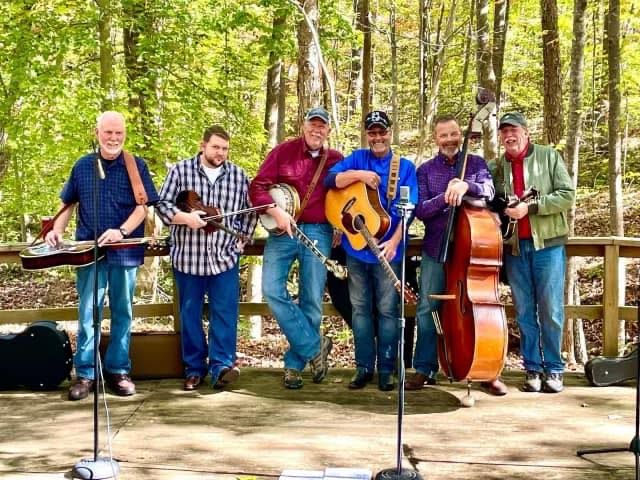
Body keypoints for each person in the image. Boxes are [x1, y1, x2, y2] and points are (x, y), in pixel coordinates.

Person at [45, 111, 159, 401]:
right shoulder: (83, 166)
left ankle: (119, 371)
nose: (114, 138)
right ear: (97, 133)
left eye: (118, 133)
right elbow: (66, 202)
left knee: (123, 312)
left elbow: (142, 208)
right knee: (88, 314)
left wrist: (121, 231)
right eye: (108, 132)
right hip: (89, 253)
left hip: (125, 252)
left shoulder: (137, 166)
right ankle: (86, 374)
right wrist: (56, 229)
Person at [407, 114, 507, 396]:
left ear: (460, 134)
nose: (449, 140)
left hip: (470, 249)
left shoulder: (474, 164)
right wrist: (445, 197)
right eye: (443, 135)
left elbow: (488, 191)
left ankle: (486, 368)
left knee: (478, 307)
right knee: (428, 309)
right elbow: (421, 210)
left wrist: (466, 186)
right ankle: (424, 368)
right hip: (436, 249)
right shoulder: (425, 170)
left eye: (453, 134)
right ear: (435, 139)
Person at [155, 125, 257, 391]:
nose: (220, 153)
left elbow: (249, 212)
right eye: (215, 147)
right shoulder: (180, 171)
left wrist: (242, 237)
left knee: (225, 313)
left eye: (224, 148)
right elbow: (163, 205)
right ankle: (194, 369)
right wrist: (186, 218)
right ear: (203, 146)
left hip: (224, 258)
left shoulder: (238, 176)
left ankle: (221, 366)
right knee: (190, 315)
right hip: (189, 259)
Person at [249, 107, 342, 389]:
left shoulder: (337, 159)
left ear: (328, 130)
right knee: (272, 290)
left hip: (318, 230)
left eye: (322, 126)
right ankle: (315, 347)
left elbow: (346, 194)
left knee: (311, 298)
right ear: (304, 126)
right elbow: (257, 188)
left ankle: (293, 366)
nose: (317, 130)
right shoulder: (283, 152)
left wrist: (340, 224)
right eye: (312, 125)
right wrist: (274, 210)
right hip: (282, 230)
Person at [324, 110, 418, 391]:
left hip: (388, 252)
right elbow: (331, 181)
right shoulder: (357, 158)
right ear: (367, 134)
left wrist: (394, 241)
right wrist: (359, 174)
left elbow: (408, 211)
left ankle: (386, 369)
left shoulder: (404, 167)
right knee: (360, 311)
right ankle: (364, 367)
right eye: (372, 132)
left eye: (382, 132)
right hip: (356, 251)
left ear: (390, 132)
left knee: (388, 311)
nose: (377, 137)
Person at [490, 112, 575, 393]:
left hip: (547, 245)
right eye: (503, 132)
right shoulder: (498, 166)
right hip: (515, 247)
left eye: (513, 130)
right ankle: (532, 369)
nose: (508, 136)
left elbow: (567, 195)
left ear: (526, 132)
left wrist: (531, 207)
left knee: (550, 309)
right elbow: (490, 198)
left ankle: (554, 369)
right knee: (525, 310)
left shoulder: (548, 157)